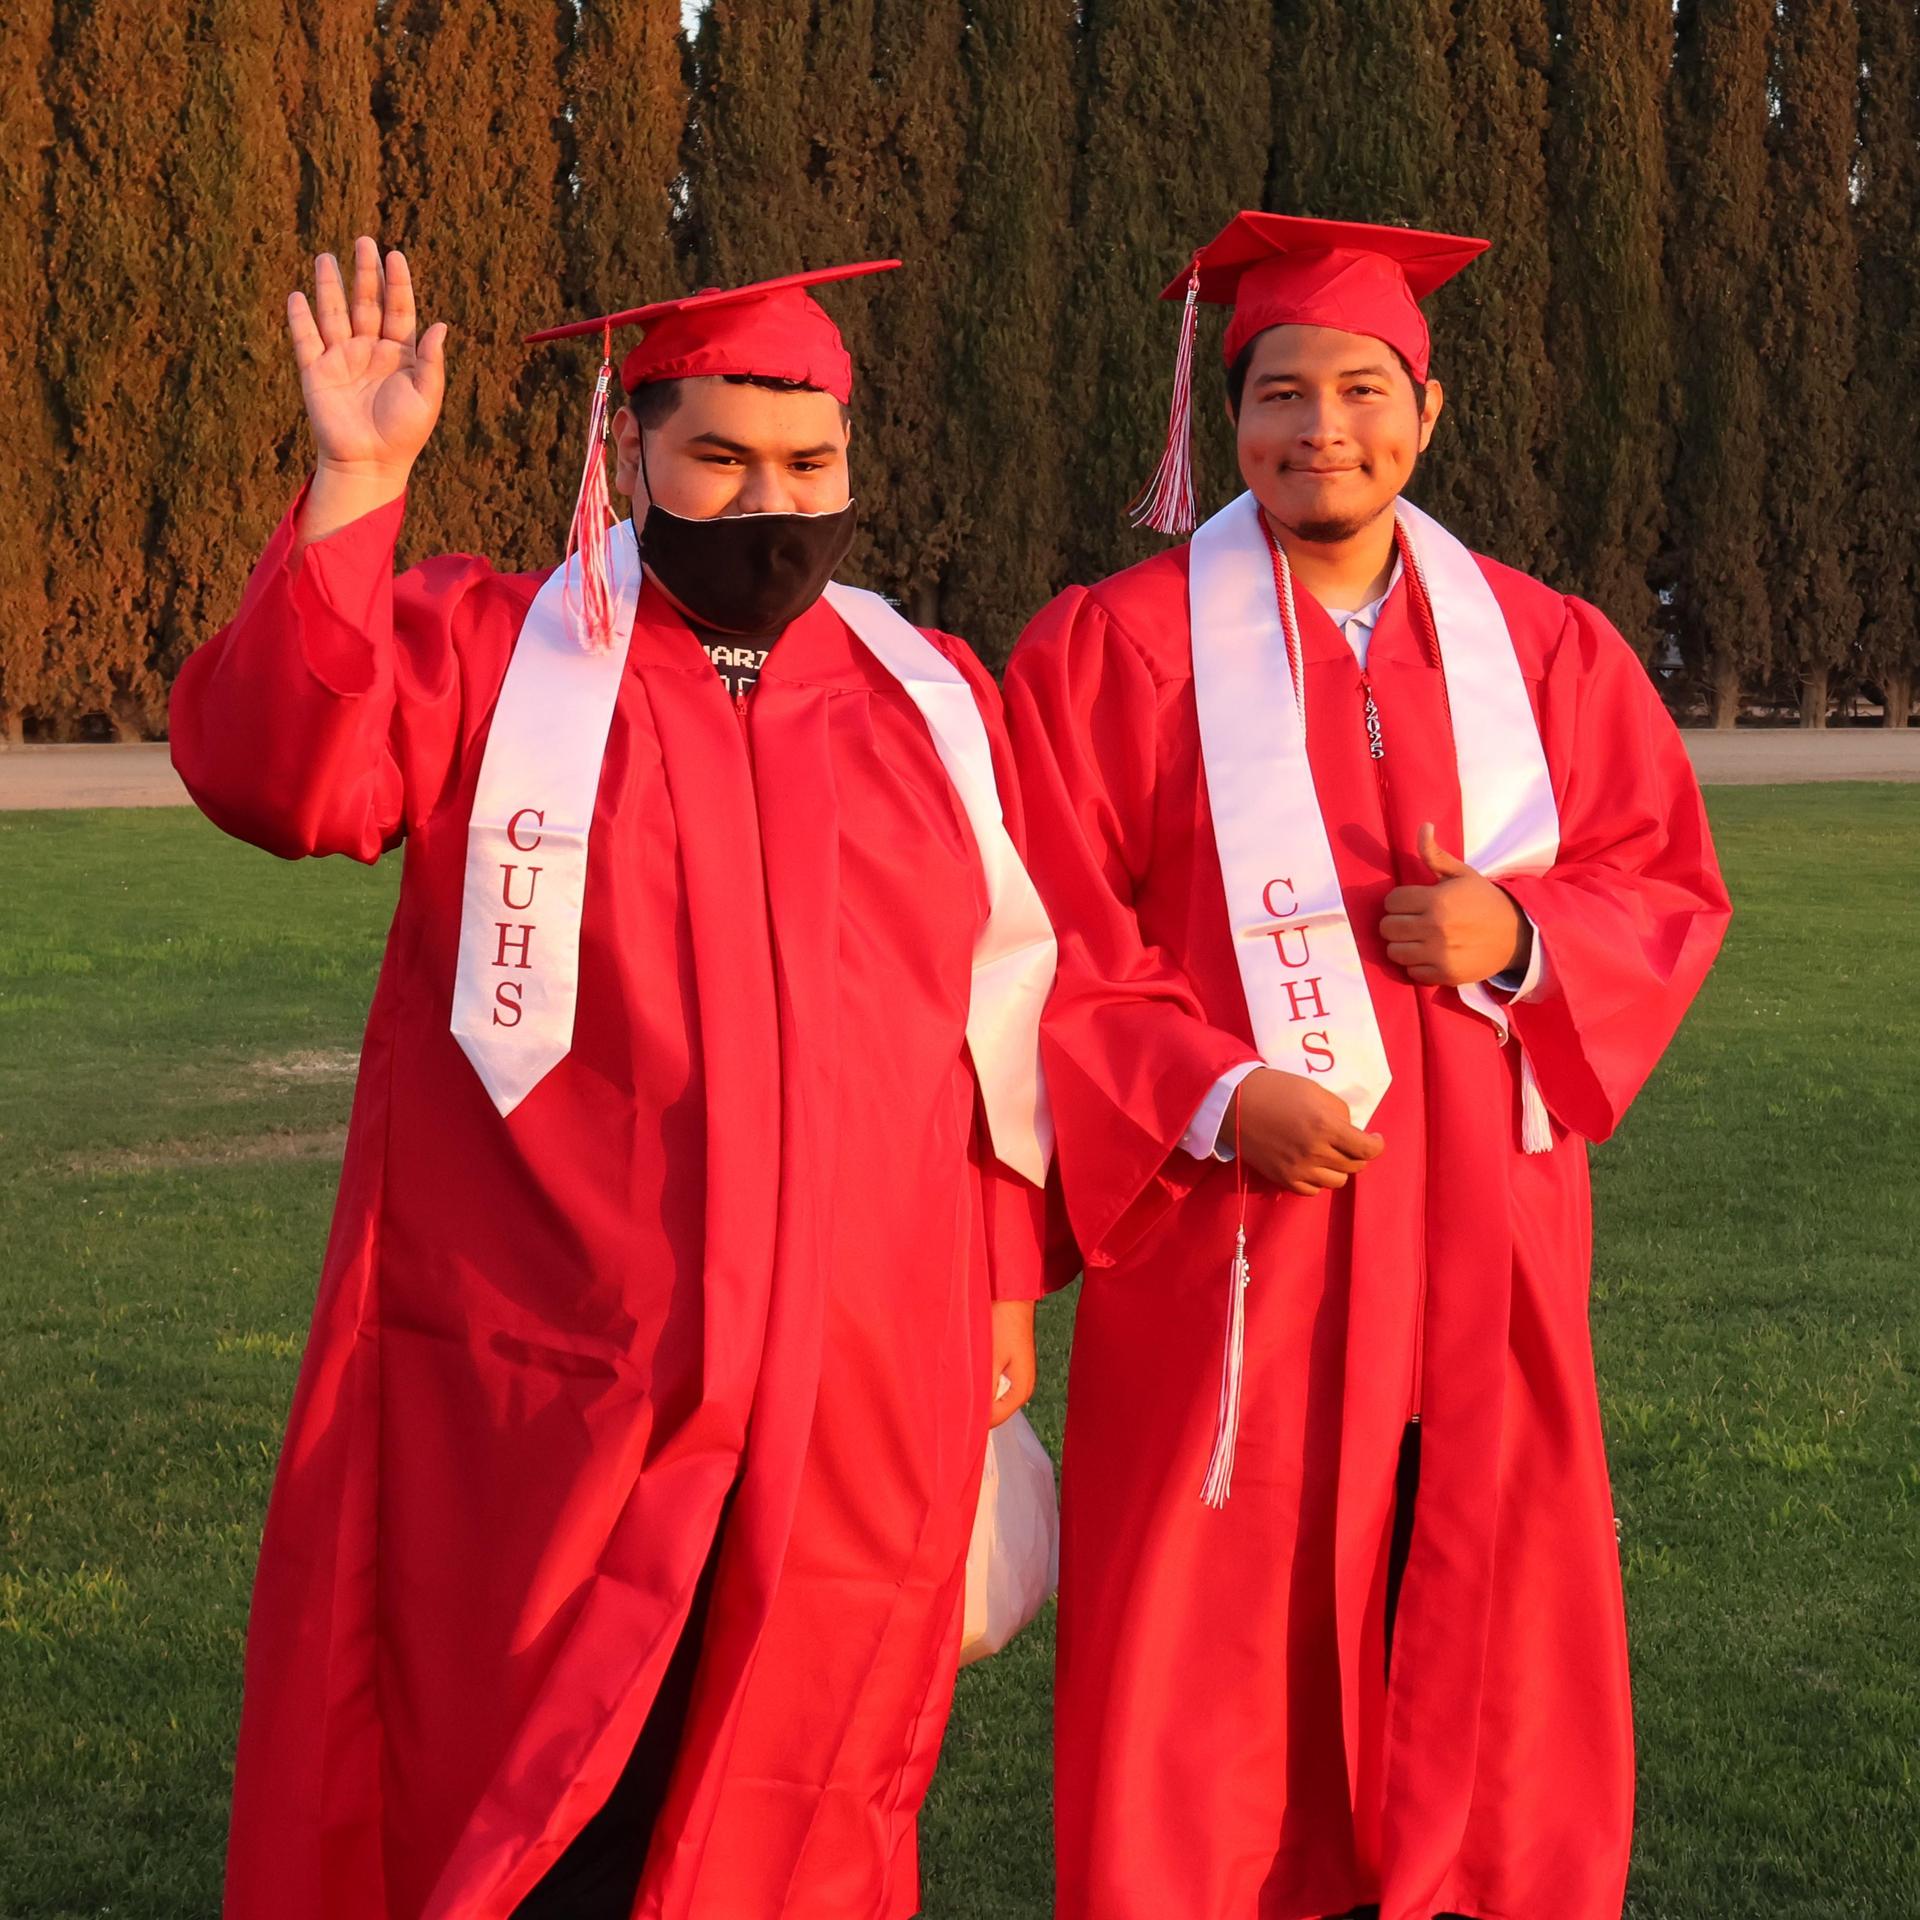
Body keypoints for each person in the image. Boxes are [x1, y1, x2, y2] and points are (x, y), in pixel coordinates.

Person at [170, 236, 1056, 1920]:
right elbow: (281, 772)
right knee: (546, 1787)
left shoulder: (923, 695)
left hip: (855, 1371)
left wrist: (1001, 1280)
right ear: (630, 452)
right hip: (555, 1376)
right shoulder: (499, 652)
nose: (769, 502)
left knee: (798, 1787)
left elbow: (1002, 1013)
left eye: (810, 464)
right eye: (718, 459)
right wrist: (357, 490)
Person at [1002, 211, 1731, 1920]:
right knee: (1218, 1640)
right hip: (1235, 1251)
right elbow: (1036, 937)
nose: (1317, 429)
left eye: (1358, 389)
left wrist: (1526, 933)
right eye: (1275, 393)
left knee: (1473, 1588)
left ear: (1428, 409)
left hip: (1488, 1246)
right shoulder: (1111, 650)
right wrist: (1201, 1086)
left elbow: (1664, 883)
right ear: (1226, 414)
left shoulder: (1548, 649)